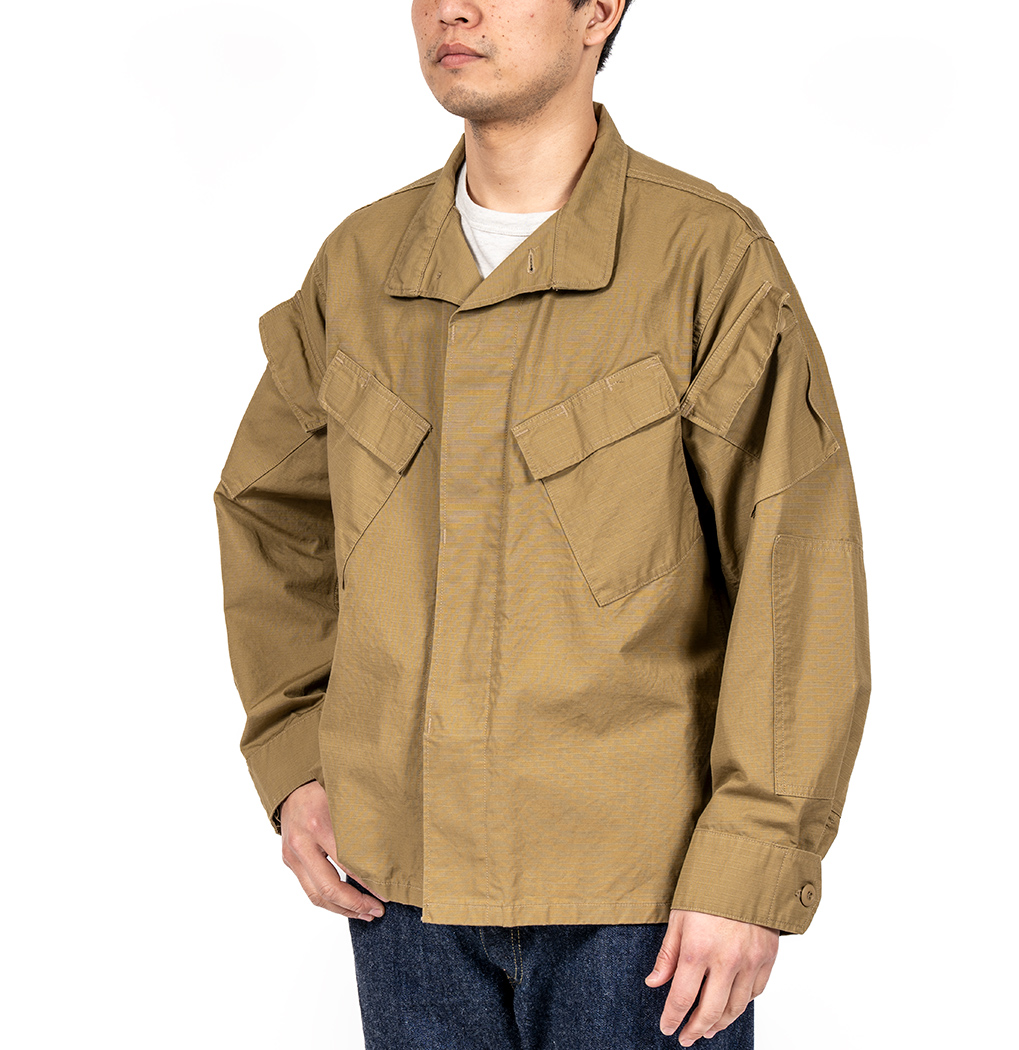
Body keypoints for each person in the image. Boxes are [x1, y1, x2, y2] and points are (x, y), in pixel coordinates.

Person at [214, 2, 871, 1047]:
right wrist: (294, 755)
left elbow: (798, 570)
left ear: (599, 12)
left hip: (644, 901)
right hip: (404, 897)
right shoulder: (361, 266)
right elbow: (270, 509)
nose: (453, 10)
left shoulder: (705, 258)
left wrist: (753, 862)